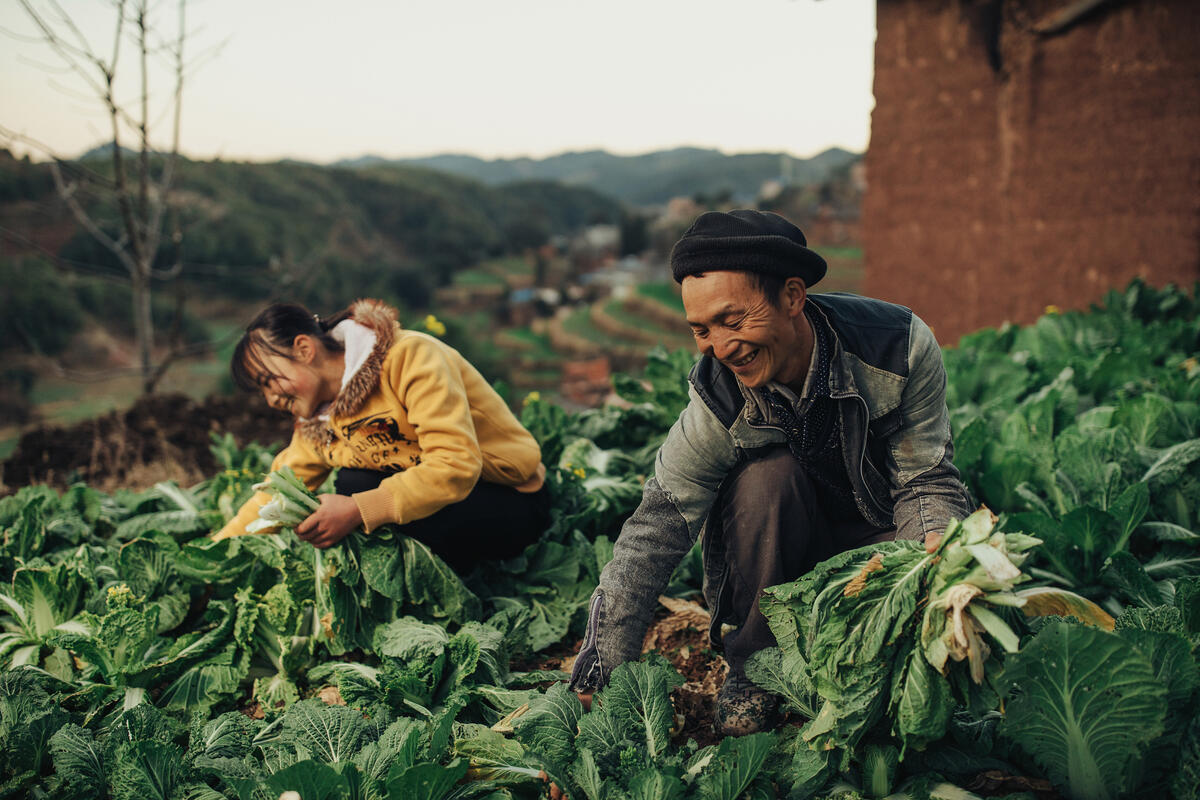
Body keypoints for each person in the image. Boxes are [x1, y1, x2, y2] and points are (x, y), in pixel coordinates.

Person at [567, 210, 973, 735]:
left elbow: (926, 479)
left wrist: (936, 564)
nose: (720, 347)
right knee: (764, 480)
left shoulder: (896, 347)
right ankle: (755, 667)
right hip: (777, 559)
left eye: (733, 321)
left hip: (880, 539)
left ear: (792, 297)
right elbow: (656, 527)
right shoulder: (718, 398)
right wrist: (600, 665)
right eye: (701, 330)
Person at [212, 298, 550, 572]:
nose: (271, 399)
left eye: (269, 381)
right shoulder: (319, 419)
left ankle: (467, 580)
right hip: (446, 507)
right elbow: (274, 493)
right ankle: (430, 581)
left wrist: (356, 510)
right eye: (261, 392)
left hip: (510, 499)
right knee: (353, 483)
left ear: (303, 349)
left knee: (355, 489)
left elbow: (456, 465)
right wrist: (213, 557)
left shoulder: (410, 357)